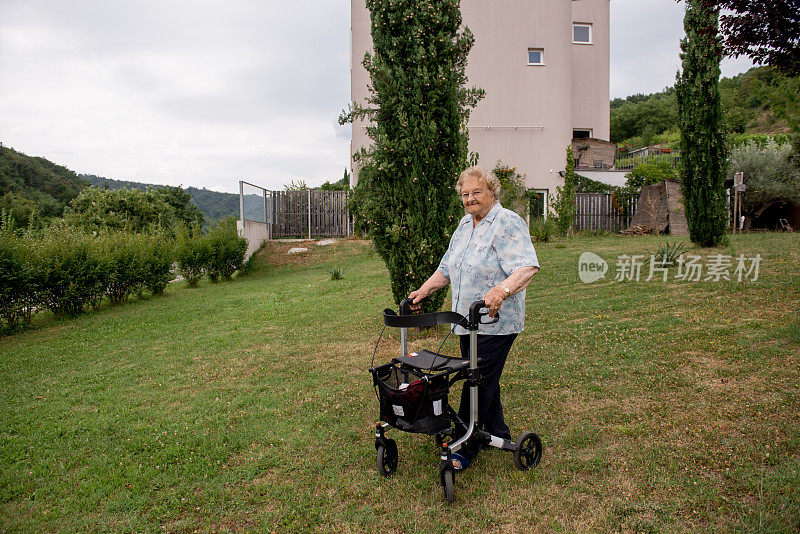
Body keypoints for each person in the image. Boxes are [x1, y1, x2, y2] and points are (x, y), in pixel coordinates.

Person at [408, 165, 539, 470]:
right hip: (466, 322)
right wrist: (423, 292)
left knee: (475, 382)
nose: (470, 199)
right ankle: (498, 432)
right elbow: (446, 268)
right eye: (465, 194)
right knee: (479, 377)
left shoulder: (506, 222)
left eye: (476, 192)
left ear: (492, 191)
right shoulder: (465, 225)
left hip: (496, 322)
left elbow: (527, 266)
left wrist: (501, 290)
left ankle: (465, 444)